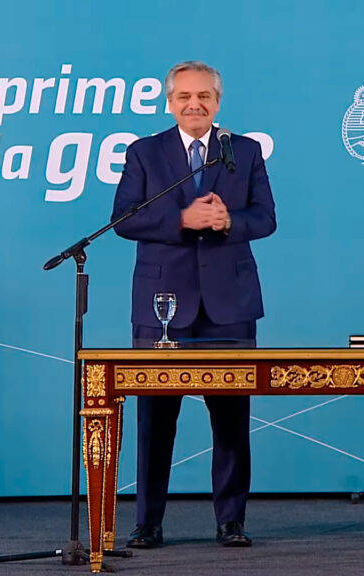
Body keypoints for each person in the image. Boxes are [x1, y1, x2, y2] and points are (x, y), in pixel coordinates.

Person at [111, 60, 276, 548]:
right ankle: (147, 523)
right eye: (184, 96)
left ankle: (231, 522)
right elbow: (124, 219)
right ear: (170, 103)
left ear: (217, 102)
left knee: (231, 421)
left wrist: (229, 222)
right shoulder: (144, 152)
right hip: (162, 306)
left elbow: (265, 217)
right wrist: (182, 219)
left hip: (230, 305)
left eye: (204, 96)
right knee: (154, 422)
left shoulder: (244, 151)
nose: (194, 104)